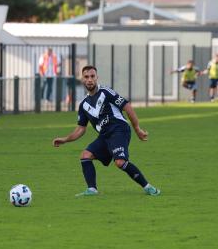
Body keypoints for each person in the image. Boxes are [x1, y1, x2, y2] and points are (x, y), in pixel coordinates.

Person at [52, 65, 161, 197]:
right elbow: (81, 129)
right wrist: (65, 140)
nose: (90, 79)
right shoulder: (84, 105)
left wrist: (137, 128)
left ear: (97, 77)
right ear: (82, 79)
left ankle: (148, 187)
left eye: (92, 76)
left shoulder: (106, 92)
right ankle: (92, 190)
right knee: (85, 156)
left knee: (120, 162)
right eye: (86, 77)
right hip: (105, 135)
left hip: (119, 129)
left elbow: (127, 107)